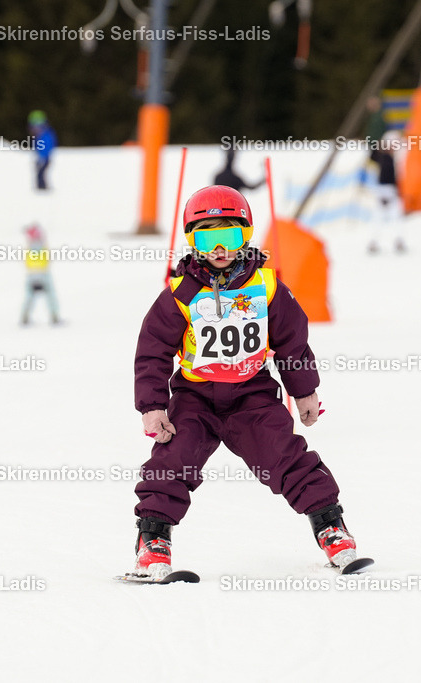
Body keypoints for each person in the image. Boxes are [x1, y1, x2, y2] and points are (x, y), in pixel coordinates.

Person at [130, 185, 361, 579]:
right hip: (194, 398)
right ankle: (153, 541)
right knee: (171, 461)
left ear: (247, 236)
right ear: (192, 240)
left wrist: (303, 391)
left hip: (252, 396)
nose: (219, 249)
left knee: (286, 456)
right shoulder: (181, 294)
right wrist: (153, 406)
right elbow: (152, 350)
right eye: (207, 238)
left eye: (230, 237)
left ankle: (331, 528)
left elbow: (293, 342)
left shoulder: (267, 288)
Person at [20, 224, 60, 325]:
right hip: (42, 273)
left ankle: (25, 317)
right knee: (50, 297)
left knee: (30, 297)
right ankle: (54, 317)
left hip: (32, 274)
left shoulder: (32, 245)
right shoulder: (37, 245)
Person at [28, 111, 57, 191]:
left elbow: (47, 147)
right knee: (39, 173)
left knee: (41, 173)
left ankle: (42, 188)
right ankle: (41, 188)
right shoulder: (42, 135)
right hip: (42, 158)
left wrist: (42, 157)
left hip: (44, 158)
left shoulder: (45, 135)